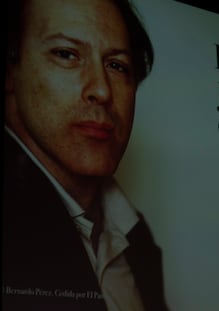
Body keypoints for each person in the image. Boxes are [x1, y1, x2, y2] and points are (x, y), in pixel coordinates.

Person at [3, 0, 169, 310]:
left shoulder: (136, 236)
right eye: (66, 54)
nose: (102, 91)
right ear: (10, 72)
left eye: (117, 65)